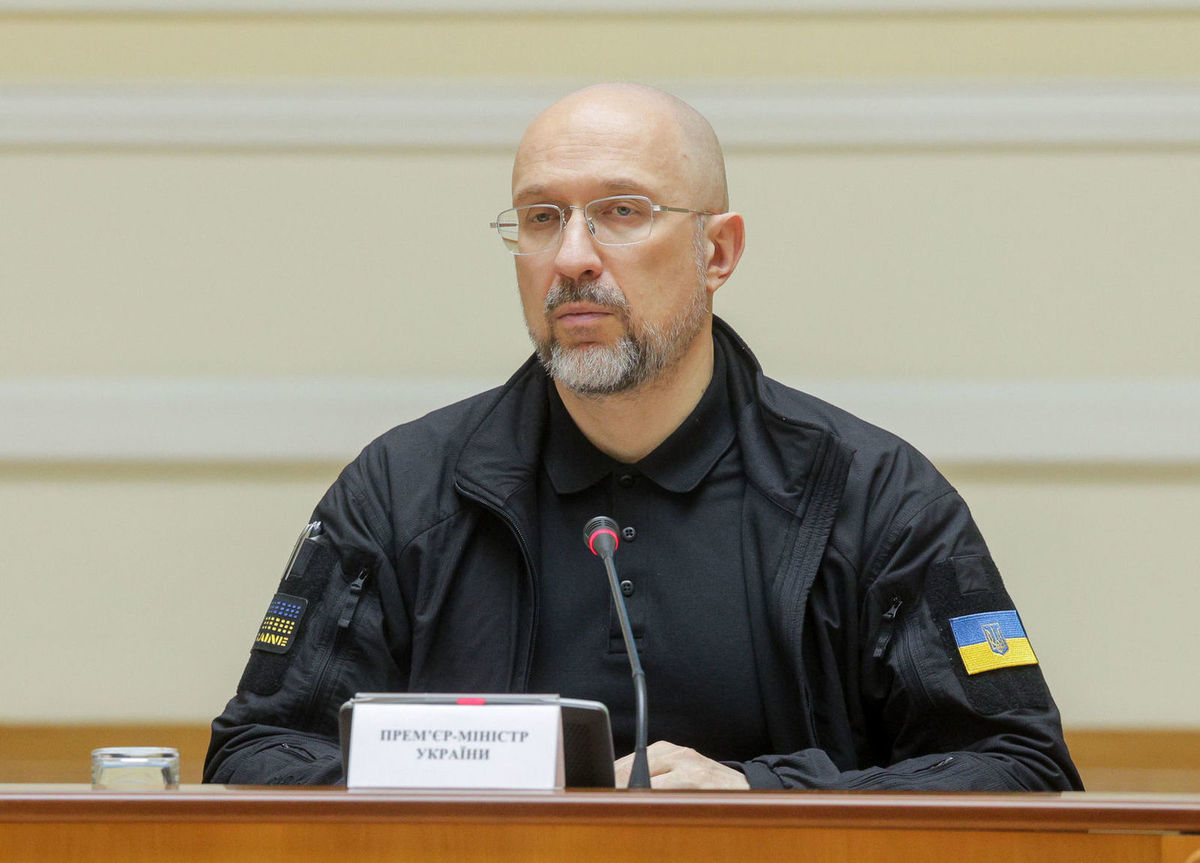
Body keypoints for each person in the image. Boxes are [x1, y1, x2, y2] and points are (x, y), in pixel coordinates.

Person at [204, 83, 1082, 791]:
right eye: (541, 218)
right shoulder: (402, 491)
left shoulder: (875, 496)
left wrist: (761, 796)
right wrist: (478, 784)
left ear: (717, 252)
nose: (572, 257)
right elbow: (255, 754)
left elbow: (1021, 768)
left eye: (621, 212)